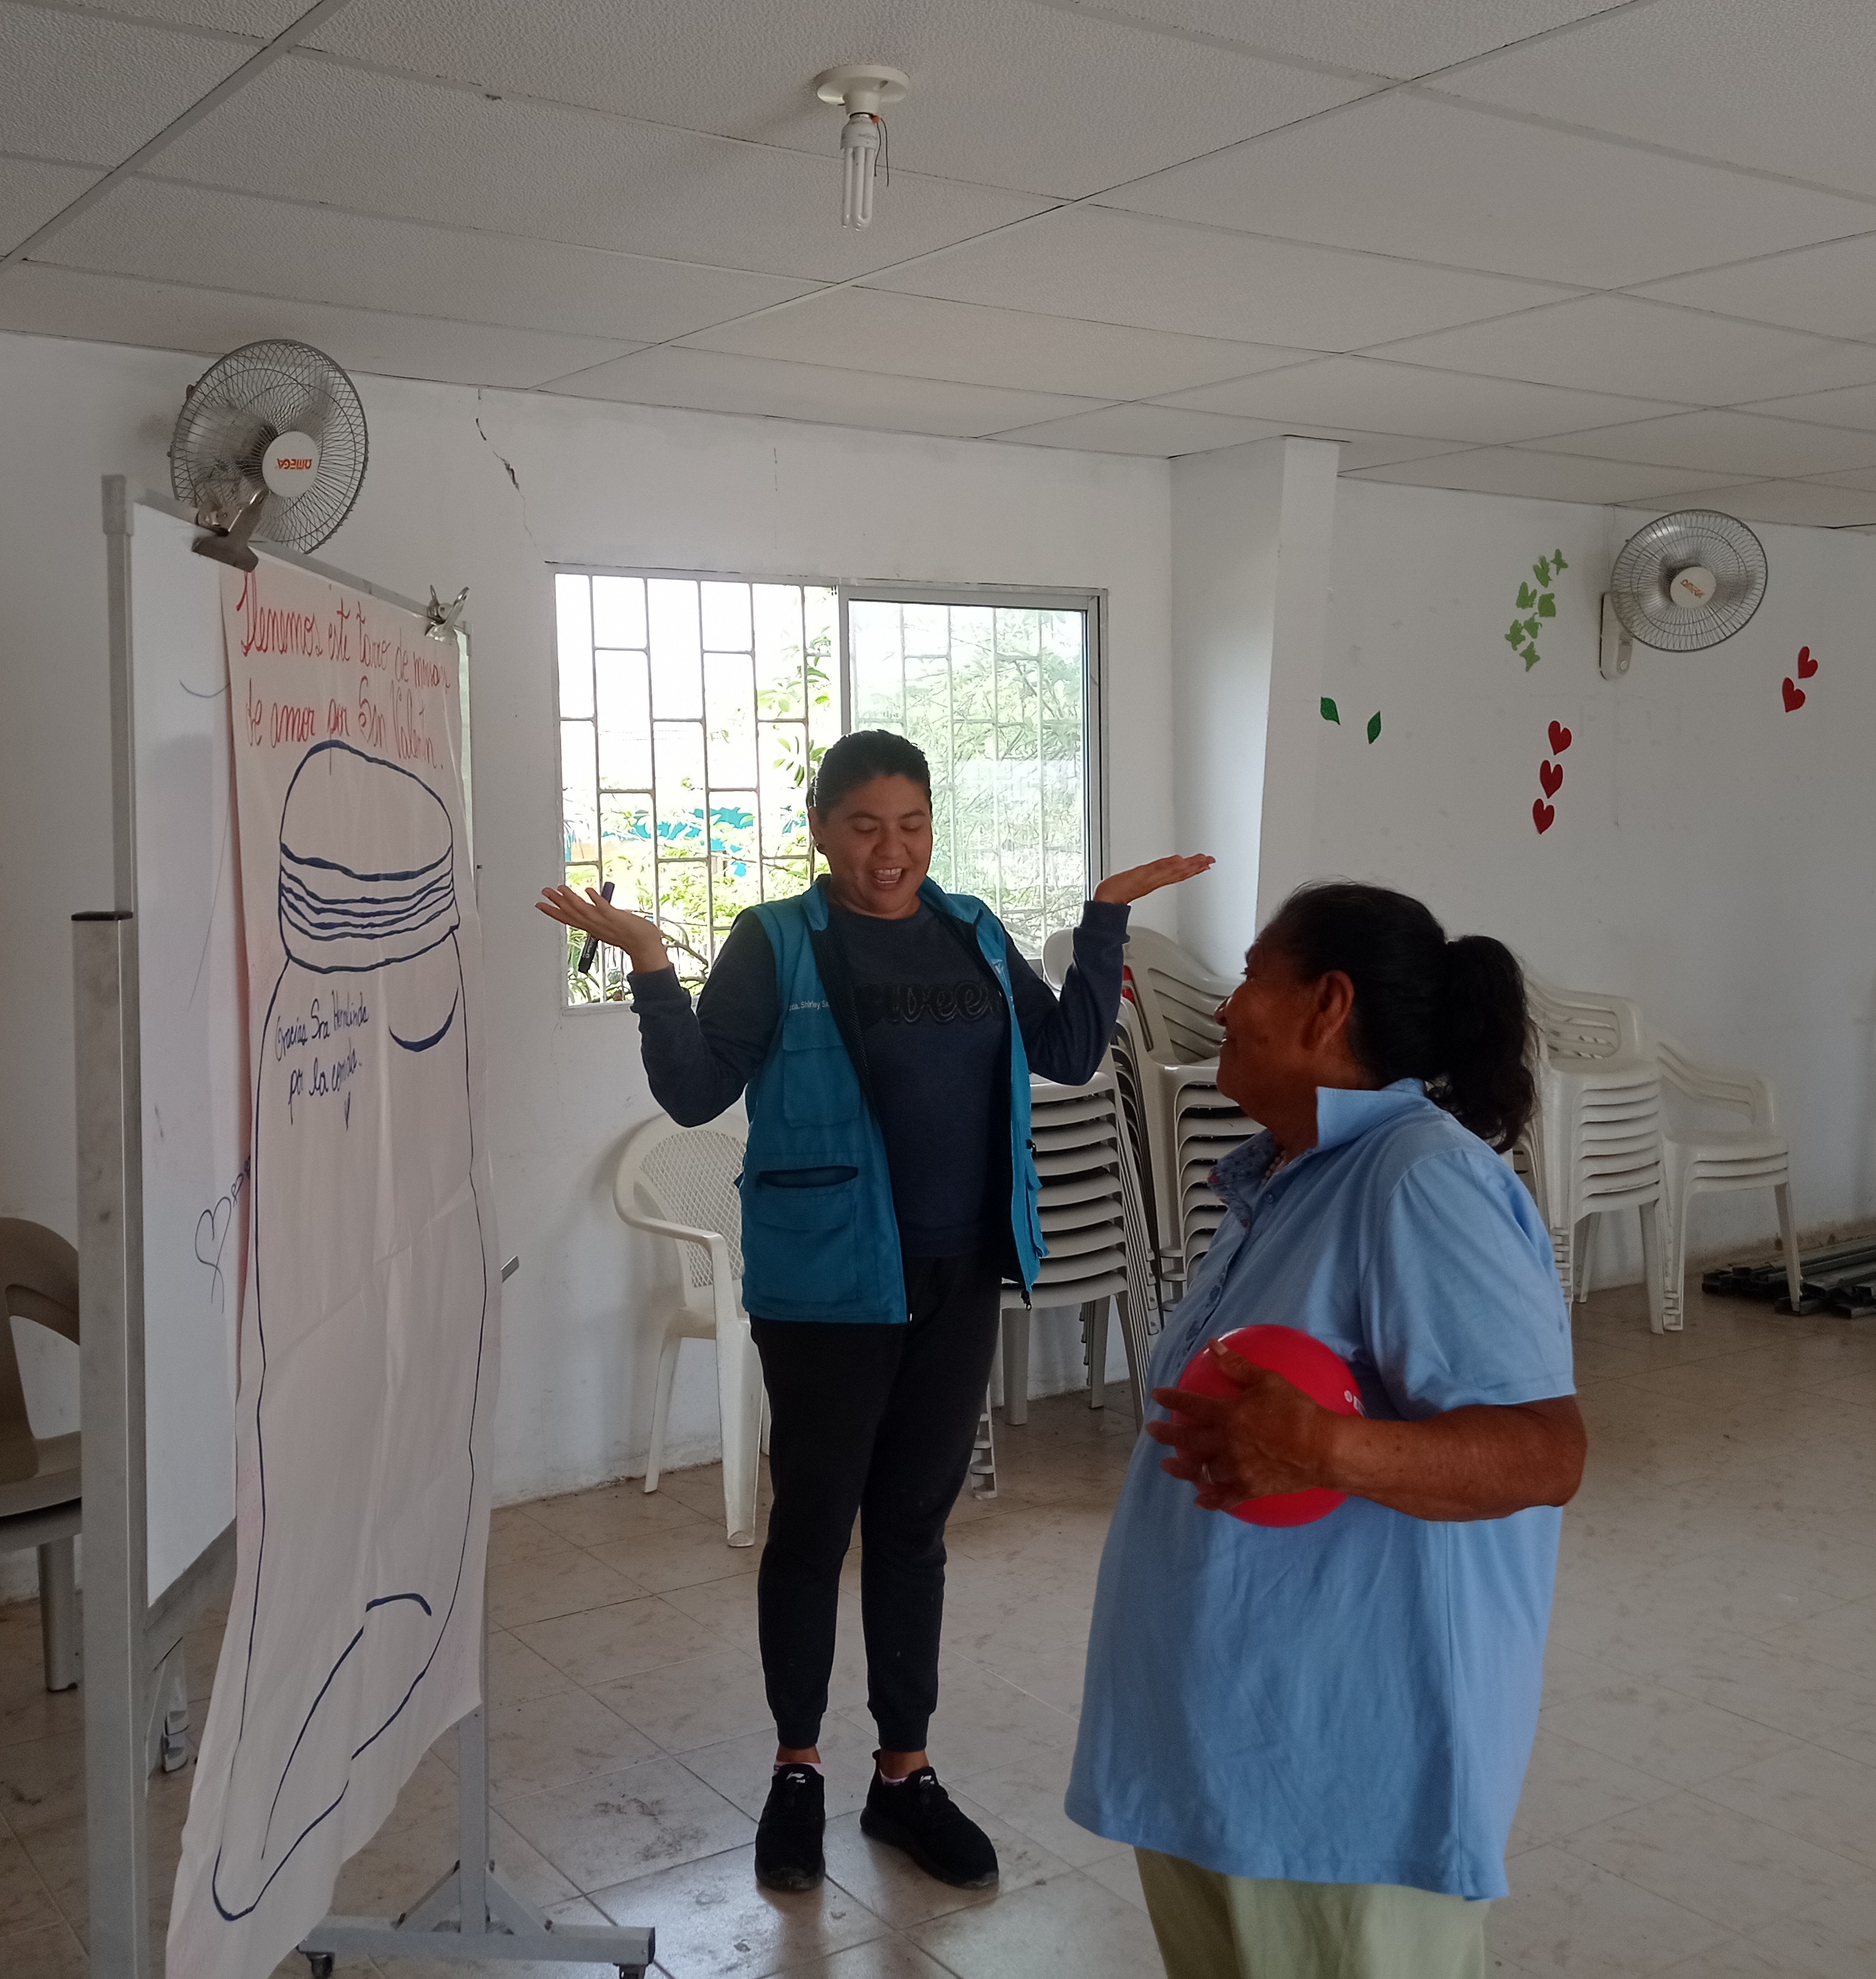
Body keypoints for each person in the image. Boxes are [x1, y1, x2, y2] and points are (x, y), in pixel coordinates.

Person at [538, 729, 1211, 1897]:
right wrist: (649, 962)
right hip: (827, 1289)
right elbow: (695, 1092)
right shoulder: (773, 941)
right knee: (813, 1529)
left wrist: (1104, 916)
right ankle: (796, 1770)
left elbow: (1066, 1051)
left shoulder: (972, 929)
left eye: (912, 824)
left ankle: (904, 1773)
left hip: (958, 1275)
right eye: (864, 826)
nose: (891, 851)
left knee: (912, 1528)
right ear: (821, 831)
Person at [1067, 882, 1585, 1979]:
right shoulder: (1293, 1174)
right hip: (1228, 1744)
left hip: (1342, 1777)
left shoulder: (1422, 1180)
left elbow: (1545, 1451)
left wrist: (1329, 1450)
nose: (1226, 1006)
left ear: (1328, 1005)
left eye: (1252, 977)